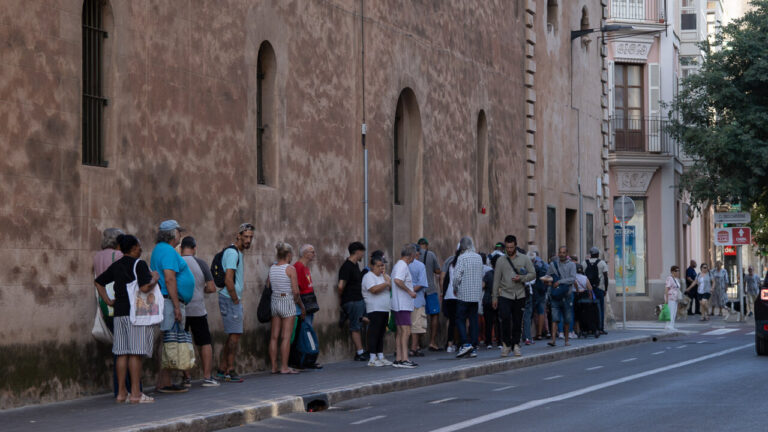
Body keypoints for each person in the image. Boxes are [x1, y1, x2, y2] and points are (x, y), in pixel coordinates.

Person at [95, 234, 159, 404]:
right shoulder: (140, 264)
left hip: (119, 313)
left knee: (121, 353)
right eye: (139, 246)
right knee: (135, 353)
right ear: (133, 247)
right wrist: (154, 278)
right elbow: (145, 288)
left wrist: (108, 301)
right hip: (135, 314)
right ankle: (136, 393)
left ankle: (122, 393)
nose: (141, 249)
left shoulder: (117, 265)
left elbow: (99, 282)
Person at [150, 220, 195, 393]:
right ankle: (164, 382)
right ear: (172, 234)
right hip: (169, 301)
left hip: (167, 300)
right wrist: (176, 306)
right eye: (178, 232)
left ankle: (164, 381)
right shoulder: (168, 251)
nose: (180, 235)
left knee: (168, 340)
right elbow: (169, 279)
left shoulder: (160, 249)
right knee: (169, 341)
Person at [216, 223, 254, 383]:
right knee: (235, 335)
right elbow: (228, 279)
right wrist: (235, 299)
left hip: (230, 297)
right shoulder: (232, 253)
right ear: (238, 236)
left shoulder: (237, 252)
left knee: (233, 334)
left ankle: (222, 369)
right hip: (230, 298)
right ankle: (230, 370)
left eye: (251, 237)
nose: (248, 240)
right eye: (246, 237)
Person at [179, 236, 219, 387]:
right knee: (204, 342)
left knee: (182, 342)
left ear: (181, 248)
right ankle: (207, 377)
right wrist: (201, 290)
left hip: (181, 308)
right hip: (198, 309)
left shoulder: (177, 262)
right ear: (194, 248)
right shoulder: (201, 263)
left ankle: (186, 378)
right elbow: (212, 287)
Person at [93, 227, 128, 397]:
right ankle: (124, 388)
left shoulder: (97, 256)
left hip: (104, 302)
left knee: (118, 346)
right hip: (118, 302)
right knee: (124, 349)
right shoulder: (119, 256)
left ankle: (119, 388)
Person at [492, 235, 536, 357]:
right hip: (505, 294)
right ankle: (506, 344)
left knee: (517, 321)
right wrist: (494, 297)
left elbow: (533, 274)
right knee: (505, 319)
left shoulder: (524, 258)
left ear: (515, 246)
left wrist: (521, 278)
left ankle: (516, 344)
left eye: (511, 247)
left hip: (520, 294)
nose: (509, 250)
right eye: (507, 247)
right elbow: (496, 280)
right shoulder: (500, 260)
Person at [268, 242, 305, 374]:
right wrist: (301, 305)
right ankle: (284, 367)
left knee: (274, 336)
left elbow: (268, 285)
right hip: (287, 301)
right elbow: (296, 292)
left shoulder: (272, 268)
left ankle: (274, 366)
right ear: (288, 254)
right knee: (286, 337)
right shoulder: (290, 269)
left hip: (275, 301)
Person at [453, 236, 484, 358]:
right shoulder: (479, 257)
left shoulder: (462, 258)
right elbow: (481, 274)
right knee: (473, 320)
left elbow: (457, 277)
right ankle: (474, 346)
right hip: (475, 295)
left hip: (464, 294)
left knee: (460, 319)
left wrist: (455, 288)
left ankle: (465, 343)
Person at [362, 255, 393, 367]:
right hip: (374, 309)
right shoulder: (368, 276)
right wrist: (386, 283)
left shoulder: (384, 276)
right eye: (379, 266)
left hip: (385, 309)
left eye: (382, 266)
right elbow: (374, 289)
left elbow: (392, 286)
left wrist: (385, 277)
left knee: (381, 333)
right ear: (372, 266)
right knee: (374, 333)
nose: (381, 268)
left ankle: (380, 356)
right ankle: (372, 358)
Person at [391, 244, 419, 368]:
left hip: (399, 304)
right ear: (411, 255)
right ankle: (404, 359)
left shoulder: (398, 265)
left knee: (400, 332)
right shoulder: (402, 265)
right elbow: (398, 280)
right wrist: (409, 291)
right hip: (402, 304)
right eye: (415, 255)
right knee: (406, 331)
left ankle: (399, 358)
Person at [338, 241, 367, 361]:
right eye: (362, 252)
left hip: (357, 300)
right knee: (355, 326)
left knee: (361, 323)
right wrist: (344, 299)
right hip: (352, 300)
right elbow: (340, 286)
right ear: (358, 252)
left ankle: (363, 350)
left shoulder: (355, 265)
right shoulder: (347, 266)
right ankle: (360, 352)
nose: (363, 255)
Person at [546, 246, 577, 347]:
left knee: (567, 319)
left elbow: (572, 279)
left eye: (563, 253)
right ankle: (553, 340)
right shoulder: (553, 264)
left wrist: (559, 282)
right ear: (558, 253)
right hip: (555, 295)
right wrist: (548, 282)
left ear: (567, 253)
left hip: (567, 295)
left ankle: (566, 340)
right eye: (560, 252)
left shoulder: (572, 265)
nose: (561, 254)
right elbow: (548, 276)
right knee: (554, 318)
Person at [417, 238, 443, 352]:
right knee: (434, 315)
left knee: (417, 316)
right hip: (430, 289)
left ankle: (417, 343)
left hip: (418, 291)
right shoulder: (431, 255)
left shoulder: (414, 255)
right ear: (427, 245)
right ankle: (432, 342)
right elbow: (437, 270)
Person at [583, 247, 609, 335]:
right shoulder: (602, 263)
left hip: (587, 289)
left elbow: (582, 275)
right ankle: (600, 328)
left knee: (588, 309)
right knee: (600, 309)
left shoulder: (584, 263)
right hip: (599, 288)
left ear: (590, 254)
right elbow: (605, 277)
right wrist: (605, 289)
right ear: (598, 254)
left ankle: (589, 328)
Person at [408, 245, 429, 357]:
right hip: (417, 299)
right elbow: (421, 283)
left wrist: (405, 291)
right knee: (417, 325)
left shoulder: (400, 264)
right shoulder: (420, 265)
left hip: (404, 299)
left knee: (404, 325)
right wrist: (410, 290)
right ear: (417, 253)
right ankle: (414, 348)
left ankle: (403, 348)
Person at [441, 247, 460, 352]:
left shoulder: (451, 264)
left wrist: (442, 293)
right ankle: (461, 343)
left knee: (452, 321)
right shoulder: (462, 264)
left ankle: (449, 344)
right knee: (461, 320)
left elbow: (443, 278)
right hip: (458, 295)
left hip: (449, 295)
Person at [294, 244, 317, 326]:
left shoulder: (305, 267)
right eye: (312, 252)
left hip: (309, 302)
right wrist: (302, 307)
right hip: (303, 303)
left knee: (308, 327)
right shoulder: (298, 267)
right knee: (305, 328)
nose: (314, 254)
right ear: (305, 253)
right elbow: (296, 289)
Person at [529, 251, 549, 340]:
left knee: (531, 312)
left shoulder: (531, 265)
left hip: (533, 290)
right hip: (542, 291)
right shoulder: (543, 264)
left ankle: (530, 334)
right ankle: (540, 333)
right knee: (541, 312)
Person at [482, 255, 500, 348]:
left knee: (488, 322)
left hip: (488, 300)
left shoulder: (488, 274)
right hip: (500, 300)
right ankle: (500, 341)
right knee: (499, 321)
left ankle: (488, 342)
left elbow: (482, 286)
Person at [665, 266, 682, 331]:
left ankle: (671, 325)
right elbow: (667, 288)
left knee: (674, 312)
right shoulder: (669, 278)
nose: (677, 272)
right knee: (671, 312)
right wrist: (666, 299)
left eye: (678, 271)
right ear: (672, 271)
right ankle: (669, 325)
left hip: (675, 298)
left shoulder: (676, 279)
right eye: (676, 271)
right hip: (671, 297)